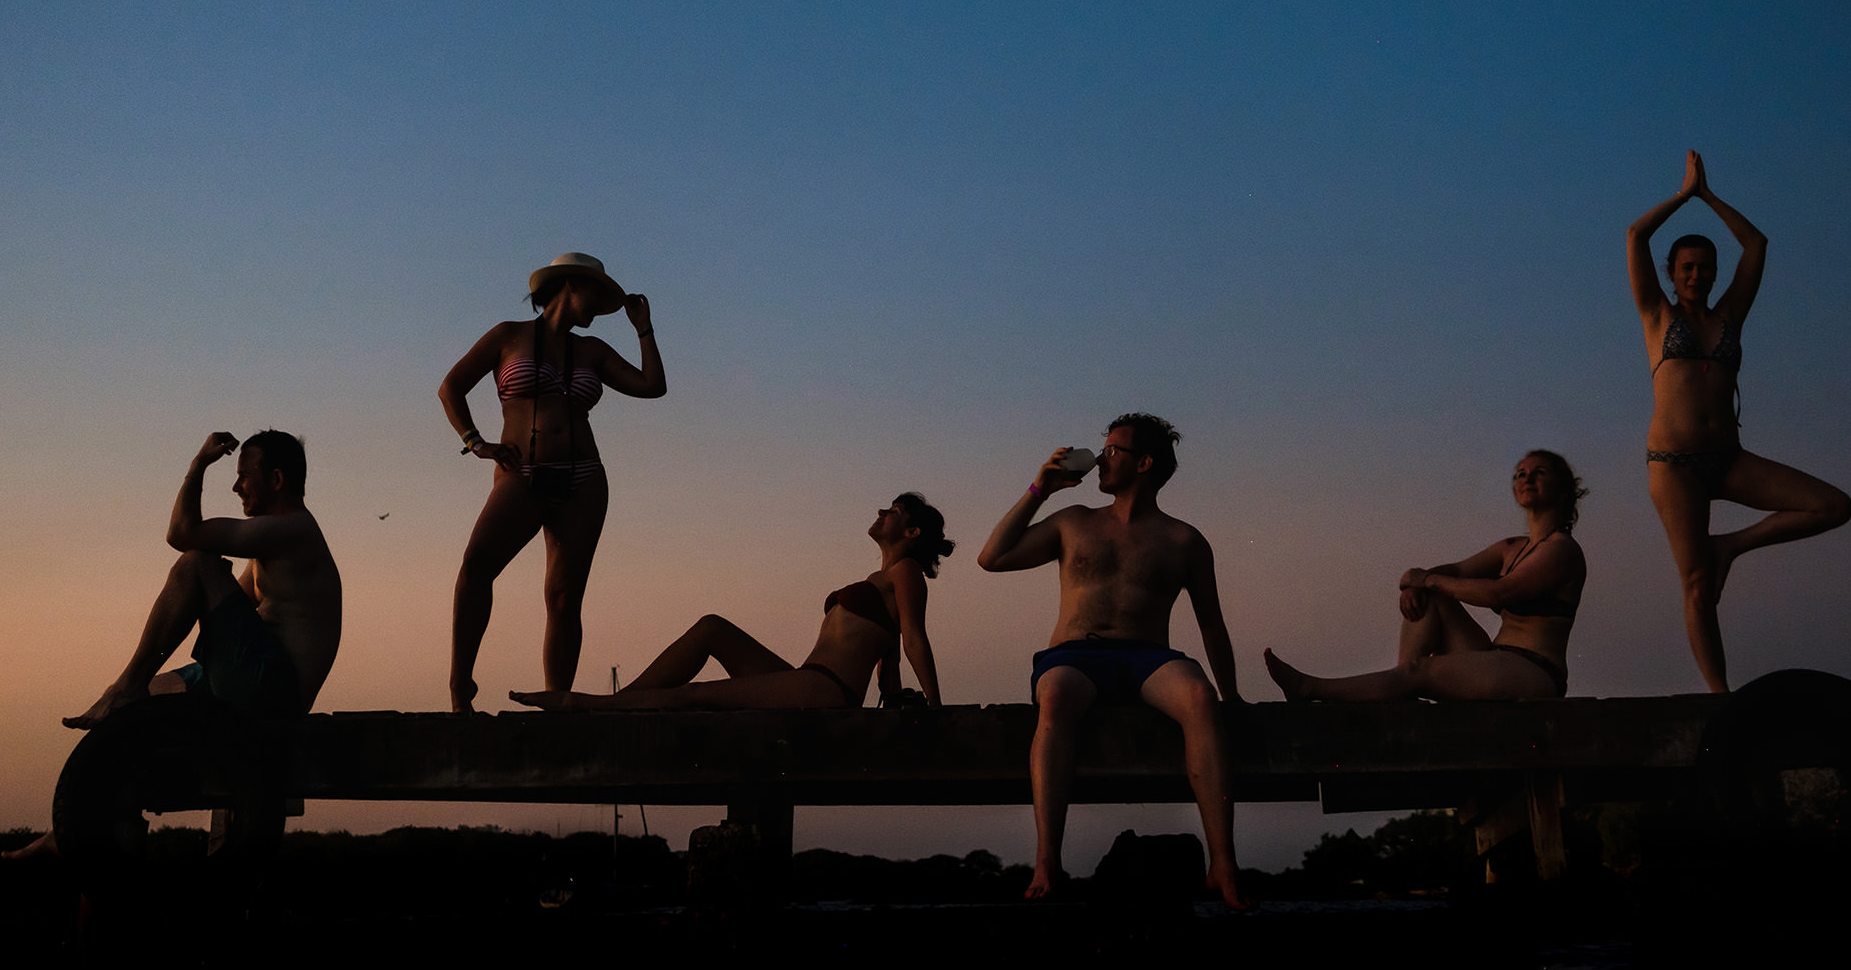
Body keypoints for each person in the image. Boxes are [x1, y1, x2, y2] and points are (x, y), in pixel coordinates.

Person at [5, 429, 341, 860]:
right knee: (136, 708)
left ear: (276, 480)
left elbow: (182, 534)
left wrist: (198, 464)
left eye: (244, 476)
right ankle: (75, 825)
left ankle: (126, 684)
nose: (236, 486)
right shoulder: (272, 547)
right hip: (253, 672)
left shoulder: (293, 530)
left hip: (273, 689)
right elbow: (234, 607)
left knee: (196, 562)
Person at [977, 413, 1249, 910]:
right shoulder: (1074, 521)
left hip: (1147, 657)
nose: (1100, 458)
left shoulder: (1184, 540)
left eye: (1112, 451)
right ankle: (1047, 860)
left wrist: (1230, 693)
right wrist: (1041, 488)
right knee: (1055, 696)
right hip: (1074, 655)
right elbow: (992, 558)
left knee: (1198, 697)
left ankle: (1223, 862)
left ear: (1143, 463)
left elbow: (1211, 623)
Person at [1629, 151, 1851, 692]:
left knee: (1832, 506)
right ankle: (1720, 697)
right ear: (1672, 273)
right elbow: (1636, 235)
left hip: (1728, 459)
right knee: (1697, 582)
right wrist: (1683, 196)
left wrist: (1709, 198)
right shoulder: (1657, 316)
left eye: (1705, 267)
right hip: (1675, 466)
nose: (1696, 275)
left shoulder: (1731, 315)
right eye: (1686, 268)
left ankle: (1731, 545)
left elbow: (1757, 245)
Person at [439, 252, 667, 713]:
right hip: (520, 474)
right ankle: (460, 688)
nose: (600, 306)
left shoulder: (593, 351)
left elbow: (651, 385)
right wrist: (475, 442)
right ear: (568, 286)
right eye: (595, 294)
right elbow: (451, 387)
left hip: (583, 479)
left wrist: (643, 328)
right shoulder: (509, 335)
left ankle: (557, 703)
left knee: (564, 598)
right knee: (475, 569)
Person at [511, 493, 948, 709]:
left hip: (827, 691)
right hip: (807, 679)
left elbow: (914, 640)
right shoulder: (879, 579)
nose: (883, 511)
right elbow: (888, 666)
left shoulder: (904, 572)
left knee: (695, 694)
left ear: (912, 534)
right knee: (712, 628)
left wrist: (934, 707)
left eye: (895, 511)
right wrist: (894, 698)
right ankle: (622, 706)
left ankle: (591, 708)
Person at [1264, 450, 1589, 702]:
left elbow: (1500, 593)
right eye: (1521, 473)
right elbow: (1455, 572)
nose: (1526, 478)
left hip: (1533, 670)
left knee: (1422, 660)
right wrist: (1414, 584)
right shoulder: (1511, 547)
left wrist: (1425, 580)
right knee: (1429, 598)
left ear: (1563, 491)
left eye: (1539, 473)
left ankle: (1310, 687)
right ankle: (1403, 687)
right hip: (1496, 657)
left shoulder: (1562, 551)